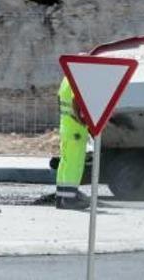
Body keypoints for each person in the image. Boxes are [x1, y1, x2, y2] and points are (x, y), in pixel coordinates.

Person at [56, 76, 90, 210]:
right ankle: (70, 199)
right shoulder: (77, 78)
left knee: (65, 161)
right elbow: (76, 99)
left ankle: (61, 197)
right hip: (75, 130)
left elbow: (59, 99)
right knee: (74, 163)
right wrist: (81, 121)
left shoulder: (65, 79)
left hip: (65, 126)